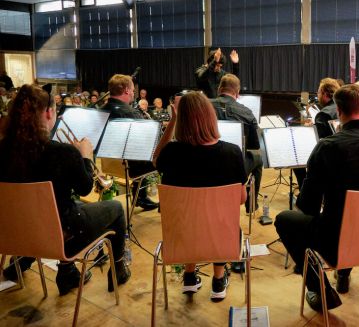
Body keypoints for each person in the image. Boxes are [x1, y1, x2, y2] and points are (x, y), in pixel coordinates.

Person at [275, 84, 359, 311]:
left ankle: (321, 290)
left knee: (285, 220)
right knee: (350, 212)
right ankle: (343, 274)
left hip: (340, 242)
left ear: (339, 112)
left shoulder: (328, 147)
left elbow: (309, 206)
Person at [0, 85, 130, 295]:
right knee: (116, 208)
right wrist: (85, 157)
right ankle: (119, 270)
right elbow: (85, 188)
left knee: (55, 207)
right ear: (48, 112)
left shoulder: (2, 149)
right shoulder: (63, 153)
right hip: (57, 235)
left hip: (13, 233)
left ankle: (31, 264)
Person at [154, 91, 247, 299]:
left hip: (180, 239)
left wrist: (173, 120)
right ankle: (218, 280)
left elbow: (156, 159)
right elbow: (241, 199)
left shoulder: (171, 153)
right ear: (210, 117)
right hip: (221, 238)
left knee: (189, 221)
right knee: (220, 222)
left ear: (181, 121)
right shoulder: (232, 153)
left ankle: (189, 276)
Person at [101, 74, 158, 210]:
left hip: (108, 164)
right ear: (126, 90)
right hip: (129, 167)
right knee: (166, 159)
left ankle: (140, 196)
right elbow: (146, 141)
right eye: (132, 90)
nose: (133, 93)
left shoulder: (100, 111)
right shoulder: (130, 113)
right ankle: (143, 197)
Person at [210, 74, 262, 212]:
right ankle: (251, 205)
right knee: (258, 159)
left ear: (219, 89)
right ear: (237, 92)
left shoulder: (204, 105)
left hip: (206, 164)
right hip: (233, 166)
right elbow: (254, 145)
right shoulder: (247, 112)